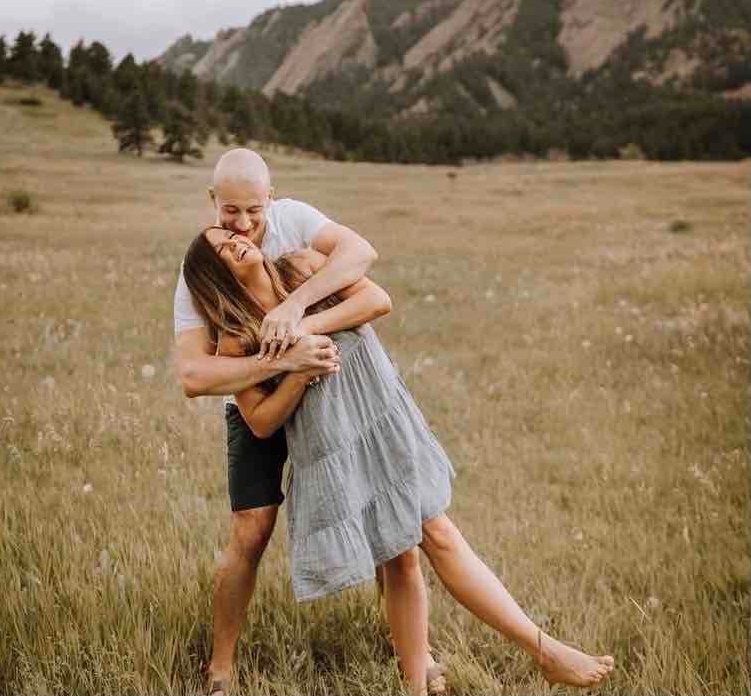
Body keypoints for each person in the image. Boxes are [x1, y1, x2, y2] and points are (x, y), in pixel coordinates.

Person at [182, 226, 616, 696]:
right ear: (215, 275)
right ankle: (538, 652)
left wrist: (301, 325)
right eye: (221, 249)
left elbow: (376, 299)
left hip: (384, 424)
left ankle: (538, 653)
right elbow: (262, 423)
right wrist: (296, 371)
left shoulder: (302, 266)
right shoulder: (238, 336)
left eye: (230, 235)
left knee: (425, 544)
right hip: (339, 447)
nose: (235, 241)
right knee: (409, 552)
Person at [174, 149, 445, 695]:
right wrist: (282, 363)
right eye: (230, 212)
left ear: (270, 199)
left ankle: (415, 653)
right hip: (255, 398)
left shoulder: (295, 220)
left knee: (386, 514)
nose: (243, 225)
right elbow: (193, 374)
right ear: (212, 201)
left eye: (254, 210)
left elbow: (362, 257)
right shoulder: (203, 269)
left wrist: (294, 311)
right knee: (251, 530)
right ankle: (221, 668)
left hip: (328, 387)